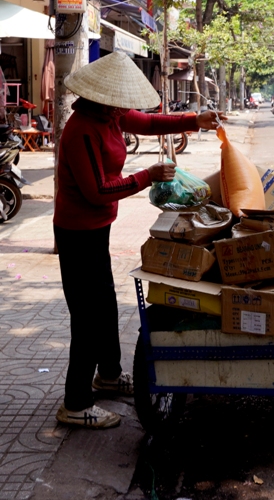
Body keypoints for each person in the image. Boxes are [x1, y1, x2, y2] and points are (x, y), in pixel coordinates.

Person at [54, 52, 227, 429]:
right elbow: (97, 190)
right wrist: (147, 175)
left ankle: (110, 376)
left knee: (106, 306)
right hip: (76, 233)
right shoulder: (82, 128)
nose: (125, 107)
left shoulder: (111, 115)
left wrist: (193, 120)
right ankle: (76, 402)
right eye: (119, 100)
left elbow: (148, 121)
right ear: (103, 97)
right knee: (87, 316)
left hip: (98, 229)